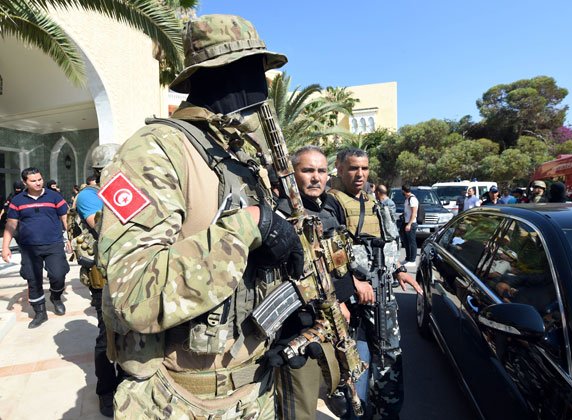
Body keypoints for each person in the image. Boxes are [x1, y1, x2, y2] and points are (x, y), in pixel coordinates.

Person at [97, 14, 305, 418]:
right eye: (250, 70)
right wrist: (250, 225)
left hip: (254, 390)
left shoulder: (237, 153)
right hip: (183, 401)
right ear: (214, 75)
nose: (262, 85)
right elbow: (132, 294)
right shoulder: (154, 152)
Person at [325, 147, 420, 419]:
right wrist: (352, 283)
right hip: (353, 294)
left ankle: (385, 411)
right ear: (340, 168)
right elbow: (327, 252)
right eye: (353, 168)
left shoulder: (370, 200)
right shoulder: (332, 203)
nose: (360, 174)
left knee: (388, 354)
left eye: (364, 168)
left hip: (380, 287)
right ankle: (354, 410)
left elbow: (386, 242)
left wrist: (399, 269)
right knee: (349, 358)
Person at [274, 146, 355, 420]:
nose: (316, 178)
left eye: (321, 171)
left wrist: (342, 302)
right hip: (292, 328)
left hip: (326, 322)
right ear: (291, 175)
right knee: (299, 406)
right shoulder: (280, 216)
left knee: (329, 383)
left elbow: (338, 267)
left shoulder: (327, 211)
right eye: (307, 170)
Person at [72, 144, 123, 417]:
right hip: (102, 278)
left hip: (127, 273)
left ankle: (128, 382)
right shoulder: (88, 196)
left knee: (130, 332)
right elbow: (104, 227)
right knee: (107, 337)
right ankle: (106, 390)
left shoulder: (118, 192)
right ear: (103, 171)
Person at [1, 168, 70, 328]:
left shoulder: (54, 196)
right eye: (33, 180)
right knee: (33, 280)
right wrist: (5, 247)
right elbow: (11, 224)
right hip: (29, 248)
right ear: (25, 182)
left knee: (58, 274)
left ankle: (56, 296)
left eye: (40, 179)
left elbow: (65, 217)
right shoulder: (17, 201)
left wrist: (71, 239)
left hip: (54, 244)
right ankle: (40, 313)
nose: (38, 182)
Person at [400, 184, 419, 267]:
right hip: (406, 221)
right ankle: (408, 258)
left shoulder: (412, 199)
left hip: (411, 223)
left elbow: (414, 213)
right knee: (406, 241)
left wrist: (409, 224)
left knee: (412, 242)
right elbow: (407, 211)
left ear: (403, 191)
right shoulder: (407, 199)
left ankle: (412, 260)